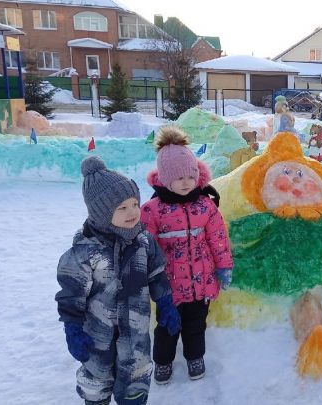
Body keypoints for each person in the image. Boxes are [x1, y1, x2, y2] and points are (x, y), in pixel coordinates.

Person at [56, 156, 181, 405]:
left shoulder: (144, 242)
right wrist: (72, 328)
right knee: (97, 383)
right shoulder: (84, 253)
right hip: (97, 340)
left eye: (135, 203)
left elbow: (157, 274)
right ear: (102, 213)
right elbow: (71, 296)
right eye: (122, 208)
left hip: (135, 337)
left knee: (135, 384)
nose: (133, 212)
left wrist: (166, 302)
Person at [141, 126, 234, 384]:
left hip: (201, 282)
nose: (185, 183)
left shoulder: (206, 205)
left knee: (196, 326)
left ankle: (195, 357)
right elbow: (146, 247)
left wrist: (223, 267)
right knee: (167, 327)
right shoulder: (152, 210)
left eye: (189, 177)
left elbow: (218, 239)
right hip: (168, 287)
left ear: (197, 175)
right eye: (178, 177)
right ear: (164, 178)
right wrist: (146, 277)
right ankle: (163, 362)